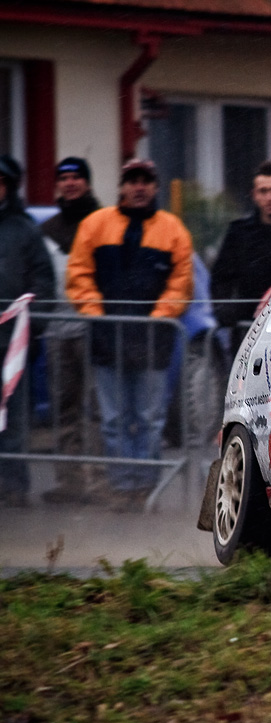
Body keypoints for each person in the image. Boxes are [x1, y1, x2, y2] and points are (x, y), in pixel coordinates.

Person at [66, 158, 194, 512]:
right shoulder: (95, 225)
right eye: (132, 180)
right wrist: (96, 312)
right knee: (114, 420)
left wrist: (158, 317)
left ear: (155, 186)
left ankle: (146, 486)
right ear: (122, 186)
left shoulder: (173, 230)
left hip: (153, 343)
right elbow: (78, 274)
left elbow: (181, 282)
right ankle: (123, 485)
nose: (139, 187)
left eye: (146, 181)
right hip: (107, 342)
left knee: (149, 420)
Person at [40, 156, 106, 504]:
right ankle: (69, 480)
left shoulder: (102, 223)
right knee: (63, 406)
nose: (70, 183)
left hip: (93, 329)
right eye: (63, 177)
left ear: (87, 183)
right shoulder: (47, 230)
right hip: (57, 331)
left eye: (77, 177)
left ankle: (98, 480)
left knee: (94, 409)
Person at [0, 155, 55, 508]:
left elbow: (44, 284)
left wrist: (32, 329)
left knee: (14, 422)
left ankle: (14, 485)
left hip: (12, 347)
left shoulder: (25, 231)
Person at [211, 161, 271, 355]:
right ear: (254, 195)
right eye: (263, 191)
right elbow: (221, 278)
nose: (269, 197)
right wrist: (226, 311)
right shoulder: (239, 233)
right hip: (248, 331)